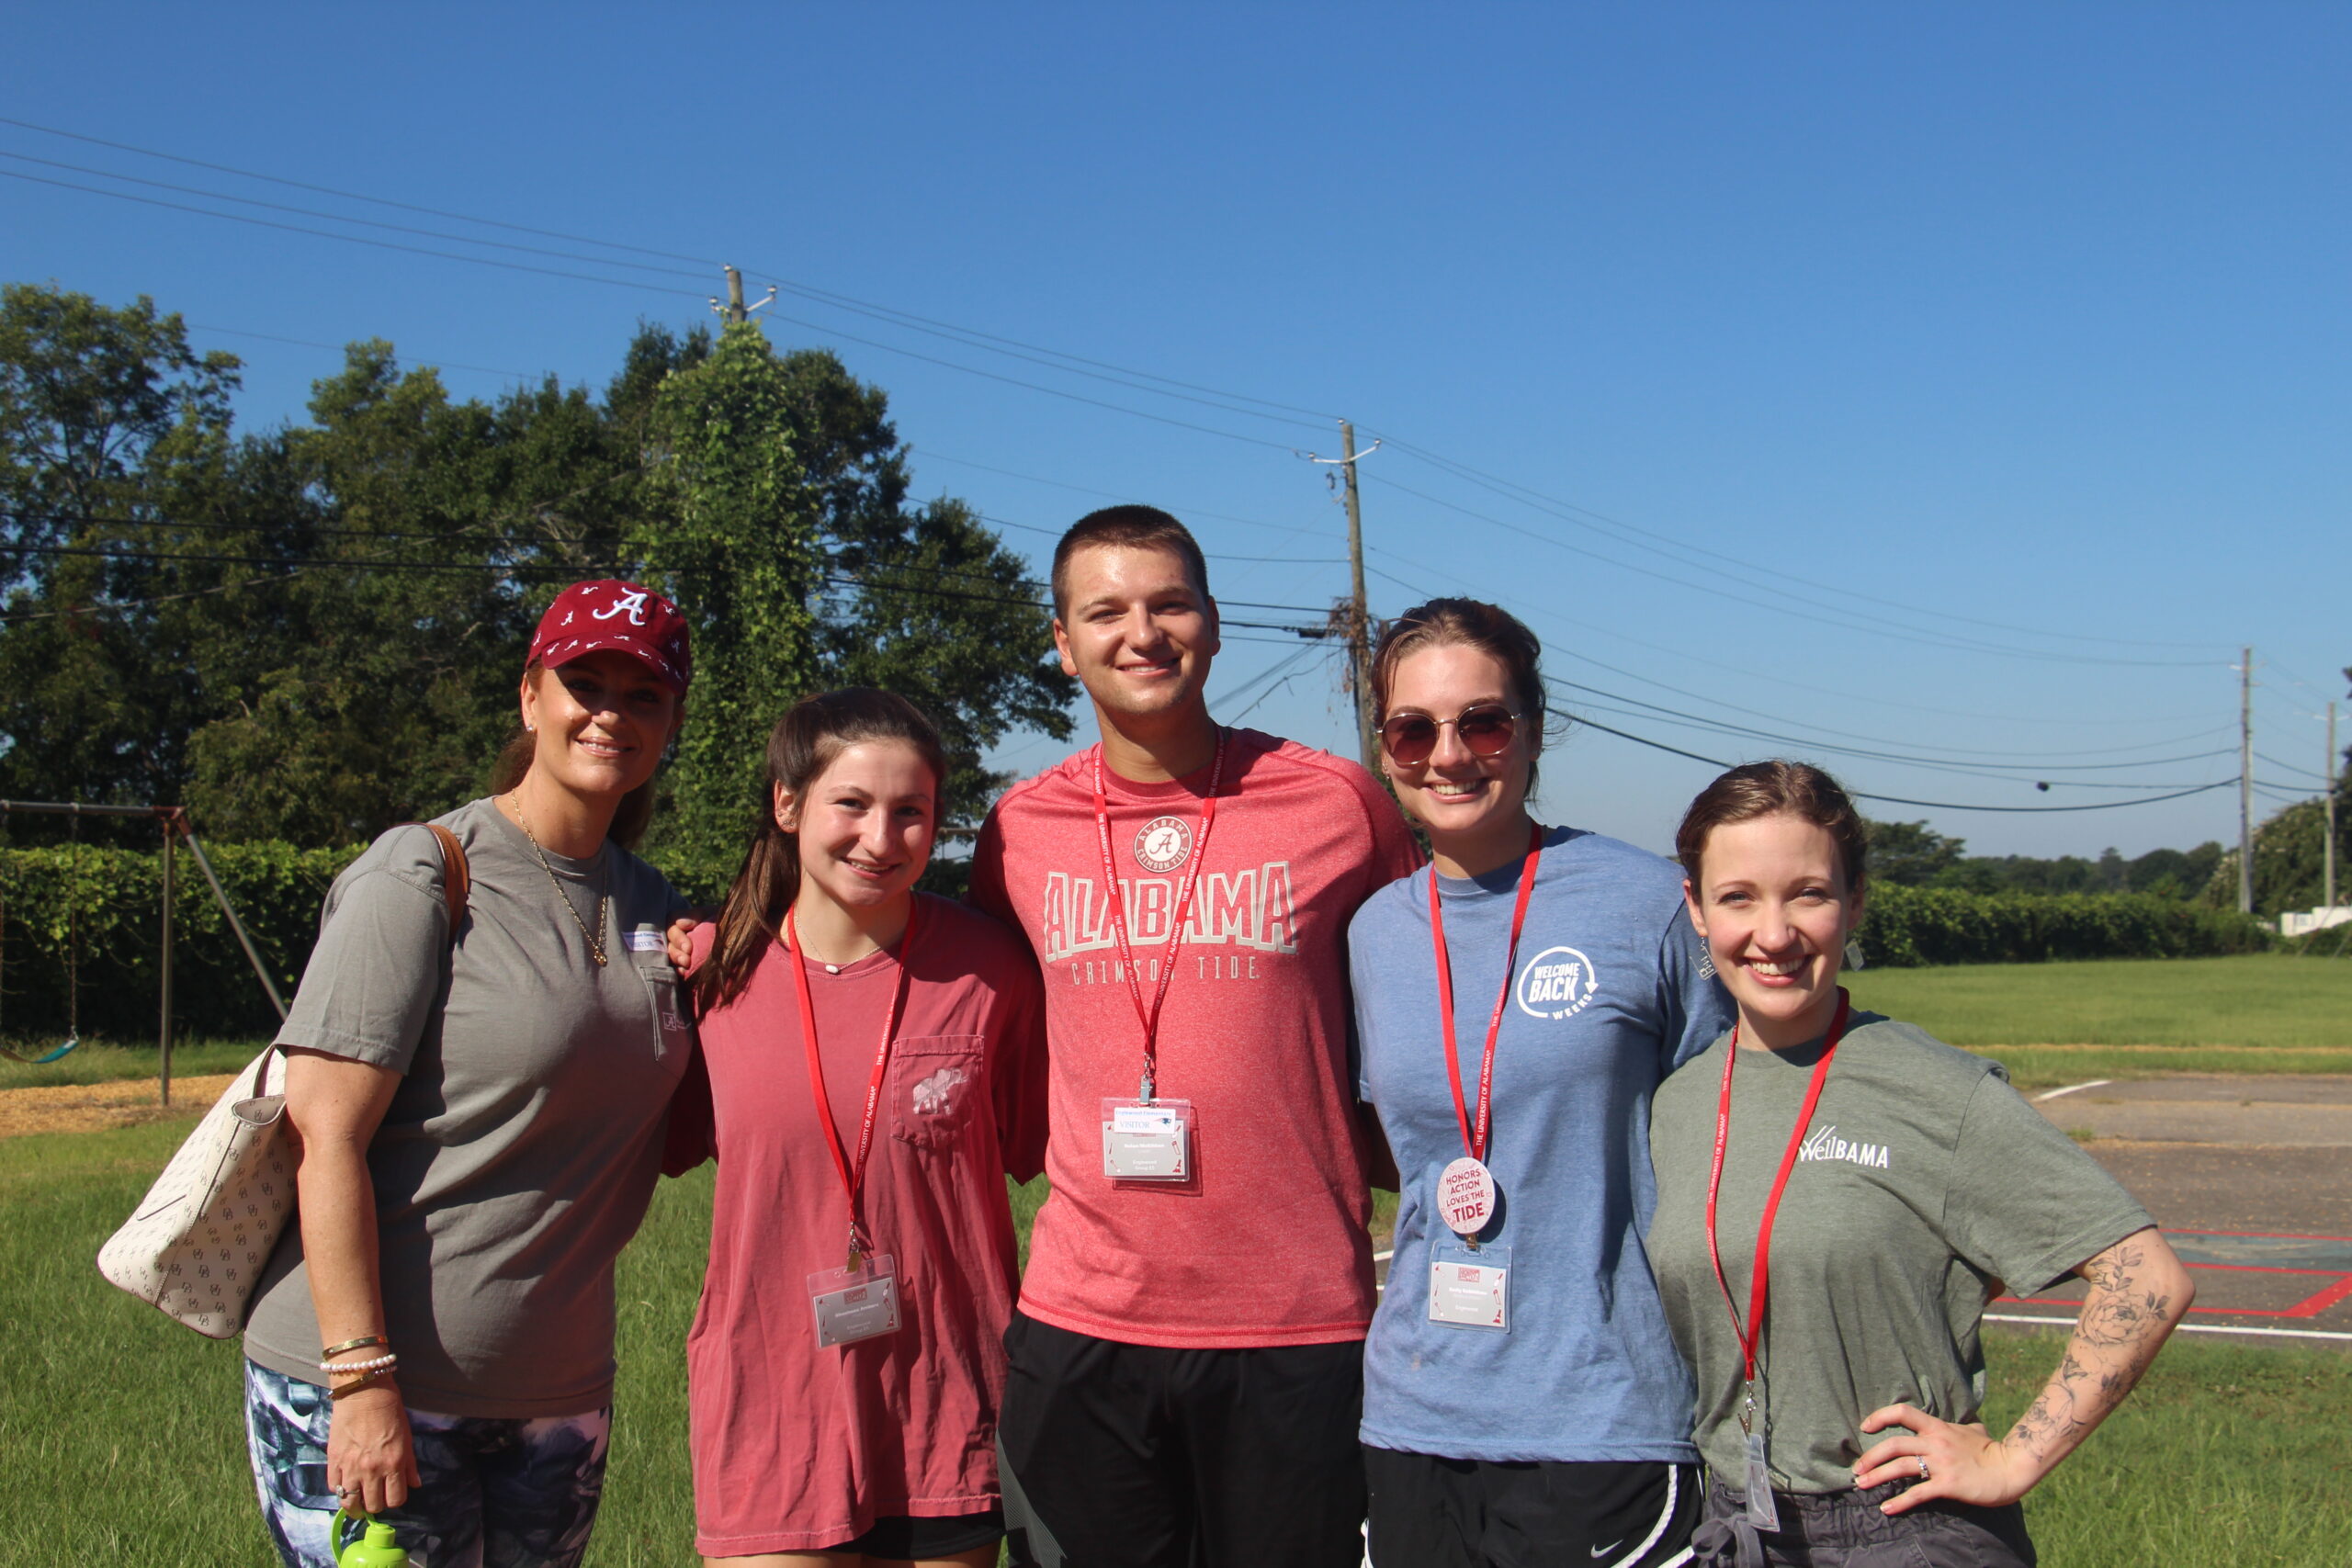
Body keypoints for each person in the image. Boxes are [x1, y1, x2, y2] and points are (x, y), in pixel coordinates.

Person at [968, 505, 1420, 1568]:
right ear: (1062, 640)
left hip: (1296, 1321)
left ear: (1213, 624)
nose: (1142, 633)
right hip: (1085, 1319)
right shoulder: (1018, 831)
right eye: (1105, 611)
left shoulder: (1338, 805)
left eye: (1170, 603)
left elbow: (1431, 979)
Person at [240, 580, 698, 1568]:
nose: (609, 713)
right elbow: (324, 1138)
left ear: (672, 722)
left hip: (557, 1394)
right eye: (585, 682)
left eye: (644, 694)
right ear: (530, 696)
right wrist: (361, 1382)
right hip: (375, 1385)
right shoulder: (421, 872)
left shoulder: (655, 906)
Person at [1649, 761, 2193, 1567]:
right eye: (1738, 897)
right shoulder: (1679, 1102)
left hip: (1903, 1532)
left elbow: (2147, 1279)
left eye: (1809, 892)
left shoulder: (1940, 1089)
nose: (1774, 933)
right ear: (1696, 909)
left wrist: (2013, 1458)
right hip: (1737, 1528)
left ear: (1856, 900)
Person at [1345, 598, 1736, 1568]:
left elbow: (1734, 1137)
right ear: (1383, 746)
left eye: (1483, 722)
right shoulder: (1371, 933)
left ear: (1532, 729)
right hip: (1413, 1415)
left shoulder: (1644, 903)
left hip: (1601, 1415)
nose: (1449, 755)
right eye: (1411, 730)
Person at [665, 689, 1046, 1566]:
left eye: (910, 812)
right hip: (770, 1407)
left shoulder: (992, 972)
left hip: (945, 1403)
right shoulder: (709, 974)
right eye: (852, 804)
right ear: (787, 803)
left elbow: (1049, 1158)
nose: (881, 838)